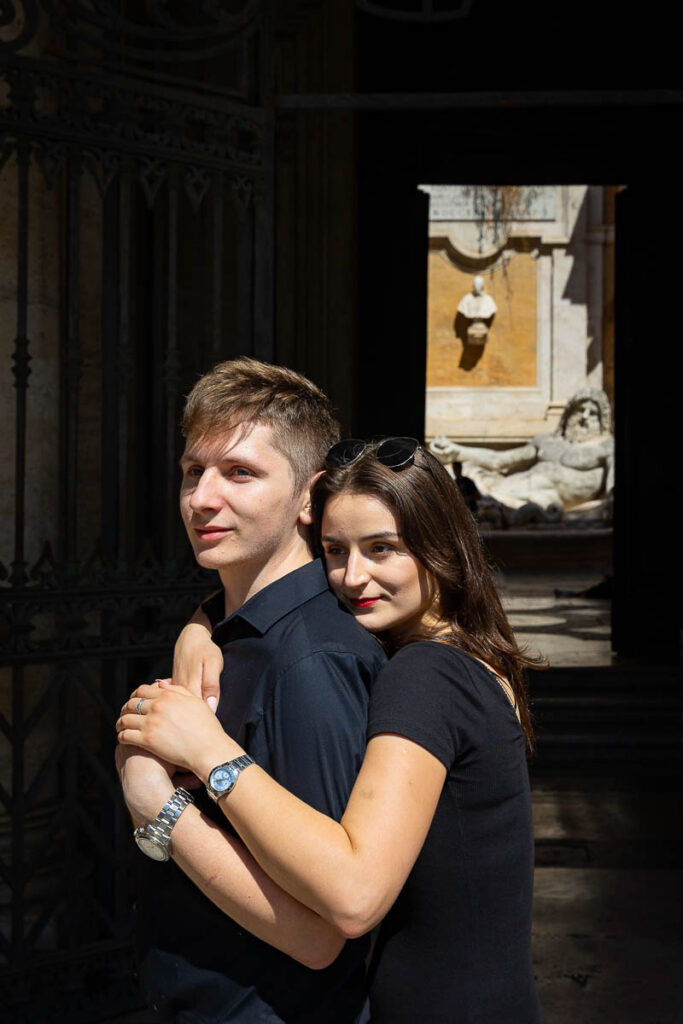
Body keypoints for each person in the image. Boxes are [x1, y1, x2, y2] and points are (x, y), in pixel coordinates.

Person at [118, 437, 543, 1023]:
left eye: (383, 548)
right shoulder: (460, 655)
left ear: (440, 547)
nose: (353, 576)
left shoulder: (424, 674)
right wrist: (202, 625)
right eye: (335, 550)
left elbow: (353, 897)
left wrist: (178, 789)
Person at [115, 359, 386, 1023]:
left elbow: (324, 932)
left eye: (240, 473)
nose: (201, 497)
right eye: (192, 471)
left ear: (309, 498)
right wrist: (199, 623)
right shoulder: (230, 632)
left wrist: (160, 810)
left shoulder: (310, 659)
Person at [430, 385, 614, 517]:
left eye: (593, 413)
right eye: (580, 410)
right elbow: (498, 460)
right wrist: (455, 451)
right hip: (506, 487)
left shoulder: (608, 447)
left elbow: (612, 493)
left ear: (603, 419)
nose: (585, 417)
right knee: (447, 476)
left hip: (541, 502)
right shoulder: (547, 442)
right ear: (568, 415)